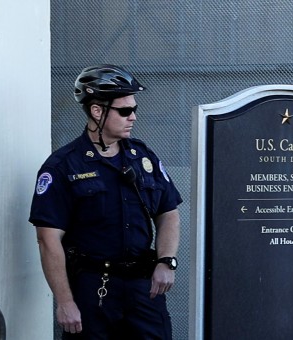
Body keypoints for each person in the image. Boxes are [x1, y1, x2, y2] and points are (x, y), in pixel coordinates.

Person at [29, 64, 183, 339]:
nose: (133, 116)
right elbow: (48, 239)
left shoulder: (143, 157)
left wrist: (166, 261)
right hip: (93, 289)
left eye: (134, 109)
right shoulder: (63, 166)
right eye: (124, 111)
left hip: (143, 287)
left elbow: (168, 211)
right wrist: (65, 302)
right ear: (97, 111)